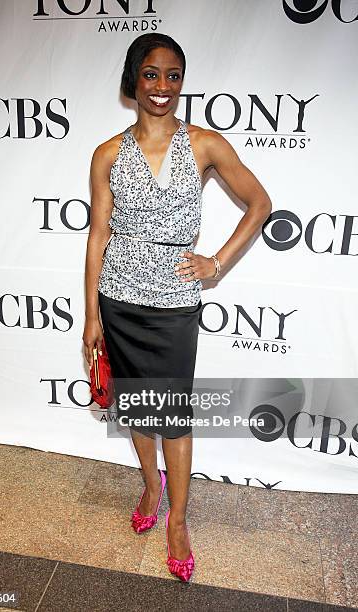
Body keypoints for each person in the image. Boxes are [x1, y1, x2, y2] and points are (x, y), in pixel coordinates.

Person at [83, 33, 272, 582]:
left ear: (181, 82)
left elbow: (260, 203)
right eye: (150, 74)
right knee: (137, 407)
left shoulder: (206, 144)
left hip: (173, 302)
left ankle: (180, 520)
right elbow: (98, 236)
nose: (161, 86)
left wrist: (216, 262)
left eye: (172, 75)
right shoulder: (108, 154)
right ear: (133, 79)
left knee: (174, 413)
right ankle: (150, 486)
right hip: (119, 297)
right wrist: (92, 316)